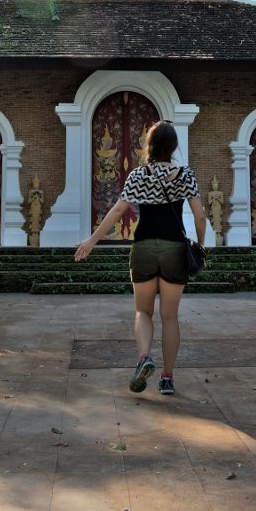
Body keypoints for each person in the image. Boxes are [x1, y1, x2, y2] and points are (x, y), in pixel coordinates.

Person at [75, 119, 206, 396]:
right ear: (173, 146)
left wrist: (91, 240)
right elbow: (199, 214)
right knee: (170, 317)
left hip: (144, 246)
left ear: (150, 145)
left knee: (142, 311)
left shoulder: (138, 175)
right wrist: (200, 246)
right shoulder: (185, 175)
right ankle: (168, 378)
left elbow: (117, 211)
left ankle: (144, 357)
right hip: (174, 247)